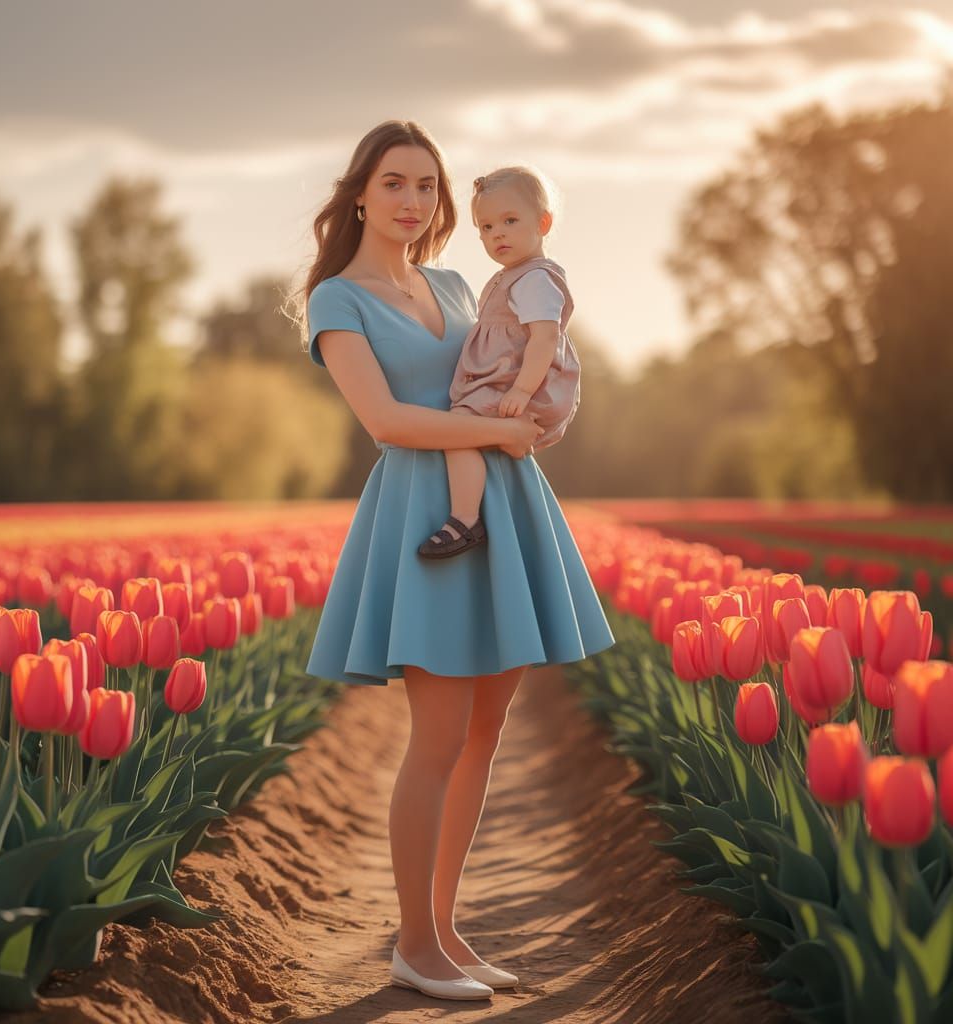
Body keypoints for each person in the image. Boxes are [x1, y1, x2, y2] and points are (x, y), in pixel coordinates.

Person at [290, 120, 616, 1002]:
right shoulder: (336, 300)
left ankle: (443, 929)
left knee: (483, 735)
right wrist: (502, 429)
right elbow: (389, 422)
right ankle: (413, 945)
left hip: (504, 504)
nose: (413, 202)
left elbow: (519, 353)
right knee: (436, 737)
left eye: (428, 187)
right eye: (395, 183)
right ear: (361, 191)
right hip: (426, 513)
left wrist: (537, 410)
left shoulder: (457, 280)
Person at [418, 165, 581, 559]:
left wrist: (523, 390)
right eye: (486, 228)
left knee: (458, 431)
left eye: (509, 221)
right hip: (507, 382)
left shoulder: (535, 280)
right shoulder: (514, 276)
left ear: (543, 223)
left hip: (520, 385)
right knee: (467, 430)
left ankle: (465, 520)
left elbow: (545, 338)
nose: (498, 235)